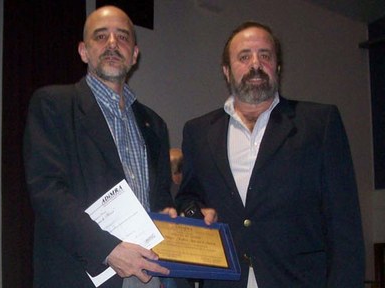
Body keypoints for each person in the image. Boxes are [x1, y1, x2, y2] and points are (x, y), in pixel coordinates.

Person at [176, 21, 365, 288]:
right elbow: (187, 196)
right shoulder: (197, 132)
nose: (256, 63)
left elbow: (344, 225)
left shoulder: (319, 123)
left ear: (277, 67)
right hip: (225, 281)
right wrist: (196, 211)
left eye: (265, 55)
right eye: (244, 56)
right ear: (227, 71)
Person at [23, 6, 186, 288]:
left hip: (147, 272)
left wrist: (168, 213)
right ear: (83, 51)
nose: (112, 44)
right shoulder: (54, 105)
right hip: (83, 273)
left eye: (122, 37)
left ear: (135, 54)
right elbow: (48, 192)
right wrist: (108, 250)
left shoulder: (154, 124)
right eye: (100, 37)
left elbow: (160, 197)